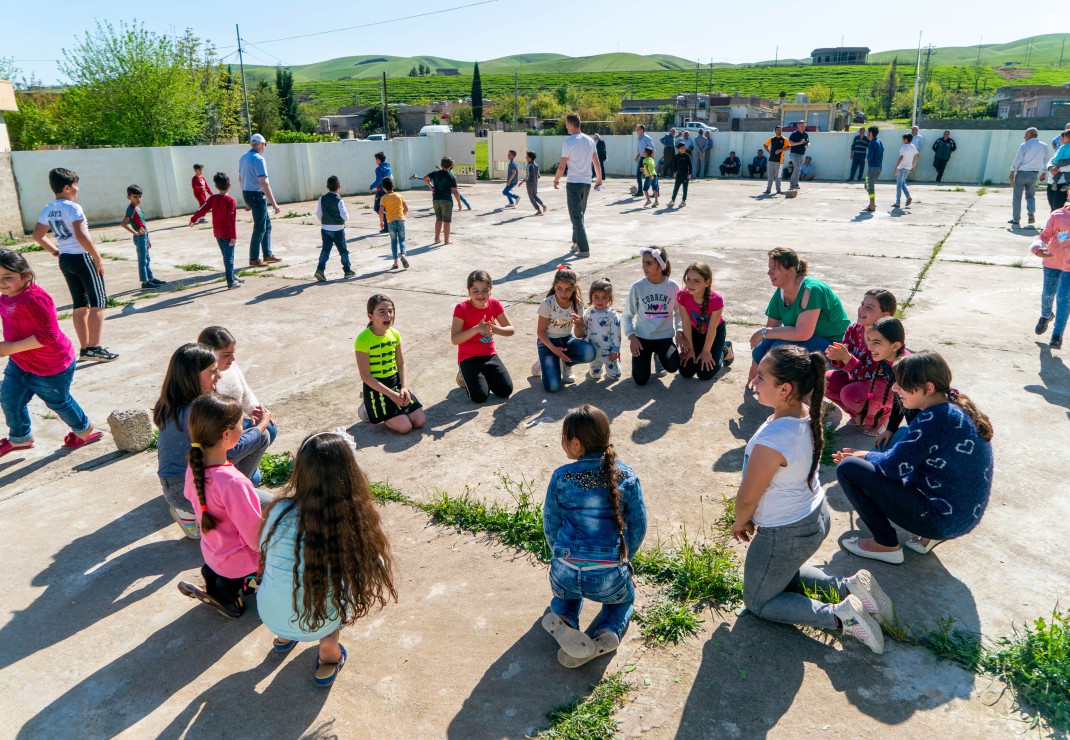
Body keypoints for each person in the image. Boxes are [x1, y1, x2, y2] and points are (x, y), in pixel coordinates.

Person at [733, 345, 890, 655]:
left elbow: (748, 496)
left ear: (785, 389)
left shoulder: (772, 441)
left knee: (759, 601)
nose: (754, 383)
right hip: (814, 516)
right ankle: (849, 588)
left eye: (761, 378)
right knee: (779, 574)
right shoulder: (804, 413)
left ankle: (840, 615)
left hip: (785, 533)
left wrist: (740, 521)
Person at [258, 430, 397, 687]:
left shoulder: (278, 509)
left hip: (268, 612)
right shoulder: (350, 523)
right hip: (316, 622)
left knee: (286, 580)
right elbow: (370, 568)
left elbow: (265, 550)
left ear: (301, 469)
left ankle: (283, 637)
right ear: (349, 474)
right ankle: (329, 652)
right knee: (338, 593)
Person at [834, 351, 994, 564]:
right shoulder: (953, 408)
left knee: (849, 467)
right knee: (897, 441)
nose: (894, 388)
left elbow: (892, 469)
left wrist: (865, 455)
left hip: (942, 520)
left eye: (901, 384)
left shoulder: (935, 418)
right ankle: (927, 538)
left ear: (928, 388)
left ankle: (885, 544)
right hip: (961, 516)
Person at [542, 404, 646, 668]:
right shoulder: (627, 475)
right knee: (623, 600)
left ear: (576, 443)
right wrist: (624, 561)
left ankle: (564, 620)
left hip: (564, 570)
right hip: (608, 575)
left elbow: (551, 524)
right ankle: (608, 631)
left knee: (566, 595)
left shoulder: (561, 476)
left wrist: (559, 556)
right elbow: (638, 527)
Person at [154, 343, 273, 539]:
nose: (218, 376)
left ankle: (199, 511)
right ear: (193, 376)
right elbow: (233, 449)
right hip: (188, 490)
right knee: (273, 507)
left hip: (176, 485)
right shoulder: (198, 410)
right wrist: (262, 425)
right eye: (212, 371)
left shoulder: (171, 401)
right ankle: (206, 509)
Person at [0, 249, 103, 458]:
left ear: (26, 275)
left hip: (51, 366)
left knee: (58, 402)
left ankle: (84, 430)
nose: (1, 283)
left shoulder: (35, 299)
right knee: (9, 398)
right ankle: (20, 438)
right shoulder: (6, 296)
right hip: (20, 362)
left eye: (7, 277)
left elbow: (49, 336)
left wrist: (9, 348)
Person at [176, 393, 268, 619]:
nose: (243, 427)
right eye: (241, 424)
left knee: (218, 570)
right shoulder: (234, 483)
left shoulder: (195, 467)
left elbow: (191, 495)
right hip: (238, 561)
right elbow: (254, 538)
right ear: (227, 434)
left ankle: (212, 579)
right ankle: (227, 597)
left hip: (213, 551)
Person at [31, 168, 118, 362]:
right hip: (82, 257)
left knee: (80, 304)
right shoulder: (73, 207)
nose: (78, 189)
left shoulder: (48, 208)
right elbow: (81, 235)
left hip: (66, 259)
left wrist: (56, 251)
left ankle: (85, 348)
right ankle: (95, 347)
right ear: (67, 187)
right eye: (75, 185)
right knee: (99, 302)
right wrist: (97, 256)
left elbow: (37, 235)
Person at [749, 247, 851, 384]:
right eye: (769, 268)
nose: (769, 272)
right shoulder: (781, 291)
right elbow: (770, 331)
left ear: (790, 271)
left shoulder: (812, 289)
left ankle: (789, 392)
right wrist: (757, 368)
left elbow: (802, 333)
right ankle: (763, 383)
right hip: (811, 341)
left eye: (774, 268)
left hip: (835, 349)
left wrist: (763, 332)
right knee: (764, 346)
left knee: (778, 351)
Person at [824, 289, 897, 430]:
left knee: (850, 393)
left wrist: (847, 358)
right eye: (862, 304)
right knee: (825, 381)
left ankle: (880, 416)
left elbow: (871, 375)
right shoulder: (853, 329)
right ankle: (859, 415)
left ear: (884, 315)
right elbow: (843, 366)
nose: (861, 309)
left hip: (884, 388)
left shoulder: (886, 339)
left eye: (869, 307)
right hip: (861, 381)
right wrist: (837, 357)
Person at [196, 325, 278, 447]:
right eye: (226, 355)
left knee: (270, 427)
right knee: (262, 434)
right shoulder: (205, 376)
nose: (232, 359)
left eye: (233, 353)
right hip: (220, 429)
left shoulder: (232, 366)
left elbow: (245, 391)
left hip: (236, 422)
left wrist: (256, 410)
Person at [355, 294, 425, 432]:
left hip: (395, 383)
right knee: (405, 427)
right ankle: (368, 407)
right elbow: (365, 376)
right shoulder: (363, 339)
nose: (388, 316)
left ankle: (397, 411)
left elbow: (401, 364)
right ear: (370, 316)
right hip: (377, 387)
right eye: (382, 312)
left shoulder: (394, 334)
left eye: (391, 311)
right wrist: (392, 395)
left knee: (419, 421)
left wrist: (404, 388)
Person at [452, 270, 515, 403]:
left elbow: (510, 330)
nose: (480, 294)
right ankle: (463, 375)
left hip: (489, 355)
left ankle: (484, 375)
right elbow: (455, 339)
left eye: (485, 290)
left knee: (505, 391)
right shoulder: (461, 308)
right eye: (475, 290)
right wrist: (477, 329)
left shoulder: (495, 304)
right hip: (468, 357)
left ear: (490, 290)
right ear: (469, 291)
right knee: (480, 397)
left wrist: (496, 329)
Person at [623, 247, 683, 386]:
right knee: (640, 379)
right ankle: (650, 356)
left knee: (673, 366)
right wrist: (632, 337)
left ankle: (659, 357)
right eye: (643, 262)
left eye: (649, 263)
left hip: (665, 338)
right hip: (642, 339)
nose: (644, 266)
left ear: (661, 266)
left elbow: (679, 313)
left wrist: (680, 330)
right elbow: (626, 316)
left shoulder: (673, 286)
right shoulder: (637, 286)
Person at [533, 267, 596, 392]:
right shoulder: (547, 304)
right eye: (559, 289)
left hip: (566, 340)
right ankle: (542, 362)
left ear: (574, 288)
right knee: (553, 387)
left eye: (568, 290)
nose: (563, 294)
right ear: (554, 286)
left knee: (589, 352)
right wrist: (554, 350)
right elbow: (540, 331)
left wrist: (578, 325)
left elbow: (579, 335)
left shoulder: (577, 304)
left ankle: (566, 363)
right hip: (548, 343)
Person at [554, 114, 602, 258]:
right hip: (586, 183)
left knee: (576, 216)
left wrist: (556, 180)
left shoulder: (568, 142)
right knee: (579, 215)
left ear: (570, 124)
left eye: (566, 124)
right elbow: (596, 161)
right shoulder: (589, 140)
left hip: (574, 183)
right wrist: (599, 179)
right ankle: (575, 243)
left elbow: (562, 166)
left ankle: (584, 249)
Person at [677, 262, 733, 381]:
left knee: (705, 374)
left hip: (714, 332)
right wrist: (691, 350)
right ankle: (697, 351)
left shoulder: (716, 299)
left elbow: (712, 327)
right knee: (686, 371)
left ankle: (725, 348)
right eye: (688, 279)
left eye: (697, 281)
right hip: (694, 331)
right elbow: (686, 323)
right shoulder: (682, 296)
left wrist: (706, 351)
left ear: (707, 282)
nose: (691, 284)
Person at [190, 172, 242, 289]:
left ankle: (232, 276)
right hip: (228, 234)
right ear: (229, 185)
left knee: (226, 255)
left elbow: (202, 209)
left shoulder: (213, 198)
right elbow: (231, 220)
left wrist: (194, 219)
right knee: (229, 258)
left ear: (216, 186)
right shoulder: (230, 201)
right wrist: (233, 236)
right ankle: (230, 282)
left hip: (218, 233)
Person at [239, 133, 282, 267]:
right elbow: (264, 183)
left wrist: (246, 200)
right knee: (260, 227)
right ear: (262, 145)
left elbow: (240, 179)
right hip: (257, 196)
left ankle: (267, 254)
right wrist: (274, 204)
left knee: (266, 225)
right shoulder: (259, 159)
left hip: (248, 193)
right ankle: (254, 258)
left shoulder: (243, 157)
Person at [1031, 202, 1070, 349]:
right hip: (1052, 261)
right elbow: (1044, 235)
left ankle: (1057, 335)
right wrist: (1037, 248)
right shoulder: (1058, 215)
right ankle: (1046, 315)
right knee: (1048, 294)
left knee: (1063, 298)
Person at [120, 184, 164, 289]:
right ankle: (144, 282)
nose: (138, 199)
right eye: (135, 197)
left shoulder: (137, 208)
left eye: (139, 196)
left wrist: (148, 239)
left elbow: (143, 224)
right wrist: (135, 232)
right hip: (140, 238)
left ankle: (151, 278)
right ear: (129, 197)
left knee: (147, 259)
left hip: (144, 236)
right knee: (142, 260)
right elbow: (124, 223)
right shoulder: (131, 209)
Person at [579, 277, 622, 381]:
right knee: (594, 376)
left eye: (604, 297)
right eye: (596, 297)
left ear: (609, 298)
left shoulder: (612, 315)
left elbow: (617, 334)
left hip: (609, 352)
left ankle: (616, 364)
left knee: (614, 376)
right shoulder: (588, 312)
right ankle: (595, 368)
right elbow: (585, 330)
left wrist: (615, 350)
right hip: (593, 352)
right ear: (591, 297)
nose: (600, 301)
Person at [314, 175, 355, 281]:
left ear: (327, 186)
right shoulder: (339, 200)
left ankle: (320, 270)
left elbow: (318, 213)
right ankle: (347, 271)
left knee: (325, 250)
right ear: (339, 187)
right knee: (343, 251)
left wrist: (324, 222)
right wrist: (343, 221)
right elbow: (345, 215)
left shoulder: (321, 199)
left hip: (325, 228)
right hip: (338, 230)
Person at [1009, 127, 1050, 227]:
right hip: (1034, 174)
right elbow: (1046, 161)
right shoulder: (1044, 146)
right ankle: (1031, 212)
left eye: (1025, 135)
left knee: (1017, 196)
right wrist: (1044, 172)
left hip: (1022, 173)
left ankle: (1016, 219)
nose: (1024, 137)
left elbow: (1018, 159)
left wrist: (1012, 171)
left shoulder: (1024, 145)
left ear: (1030, 134)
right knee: (1031, 195)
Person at [423, 157, 463, 245]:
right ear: (451, 166)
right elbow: (455, 191)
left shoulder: (435, 173)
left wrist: (431, 187)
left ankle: (437, 238)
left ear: (441, 164)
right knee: (447, 221)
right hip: (446, 200)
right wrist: (459, 202)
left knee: (438, 219)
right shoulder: (451, 176)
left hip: (436, 199)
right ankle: (446, 240)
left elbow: (425, 178)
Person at [379, 177, 409, 270]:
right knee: (402, 240)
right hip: (400, 220)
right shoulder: (399, 196)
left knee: (393, 241)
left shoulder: (383, 198)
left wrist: (381, 222)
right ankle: (403, 255)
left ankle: (396, 262)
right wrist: (401, 216)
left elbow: (381, 211)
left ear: (383, 188)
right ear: (393, 186)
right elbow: (406, 208)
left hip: (390, 222)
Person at [1046, 128, 1070, 211]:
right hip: (1051, 182)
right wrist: (1050, 168)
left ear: (1065, 138)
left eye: (1060, 138)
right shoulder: (1059, 150)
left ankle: (1056, 223)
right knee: (1052, 206)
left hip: (1062, 184)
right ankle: (1053, 223)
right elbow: (1050, 161)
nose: (1059, 140)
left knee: (1057, 208)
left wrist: (1059, 169)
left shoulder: (1065, 149)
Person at [893, 133, 919, 209]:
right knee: (902, 183)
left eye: (903, 139)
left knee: (899, 185)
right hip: (908, 168)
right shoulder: (913, 146)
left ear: (906, 139)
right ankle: (908, 196)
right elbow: (918, 156)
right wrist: (913, 166)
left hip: (901, 168)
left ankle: (898, 202)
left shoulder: (904, 147)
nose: (902, 140)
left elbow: (901, 157)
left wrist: (896, 167)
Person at [370, 152, 392, 233]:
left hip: (380, 191)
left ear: (378, 160)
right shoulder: (388, 167)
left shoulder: (378, 169)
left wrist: (371, 187)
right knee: (386, 208)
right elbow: (391, 177)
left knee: (377, 208)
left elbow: (379, 180)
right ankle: (389, 224)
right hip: (388, 190)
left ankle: (387, 225)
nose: (375, 161)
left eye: (376, 159)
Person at [864, 126, 884, 212]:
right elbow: (883, 150)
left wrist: (867, 159)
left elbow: (870, 155)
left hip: (872, 168)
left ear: (871, 133)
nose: (867, 134)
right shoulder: (879, 141)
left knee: (870, 187)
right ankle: (872, 203)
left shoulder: (871, 143)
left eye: (868, 132)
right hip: (879, 167)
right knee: (867, 185)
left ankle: (872, 206)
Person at [763, 126, 787, 195]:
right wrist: (769, 152)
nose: (779, 131)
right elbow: (765, 145)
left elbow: (788, 147)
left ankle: (778, 190)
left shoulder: (784, 139)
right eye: (778, 130)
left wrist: (780, 150)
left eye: (780, 130)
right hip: (771, 160)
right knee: (770, 176)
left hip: (780, 161)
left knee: (778, 176)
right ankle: (768, 189)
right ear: (775, 131)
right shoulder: (772, 139)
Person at [522, 151, 547, 216]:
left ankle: (538, 210)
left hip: (529, 183)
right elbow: (538, 175)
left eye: (527, 157)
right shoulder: (536, 165)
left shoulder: (528, 165)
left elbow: (528, 175)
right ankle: (543, 205)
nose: (526, 158)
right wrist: (535, 180)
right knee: (535, 195)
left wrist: (523, 181)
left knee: (531, 198)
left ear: (530, 158)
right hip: (535, 183)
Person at [787, 121, 809, 191]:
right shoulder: (794, 134)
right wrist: (800, 143)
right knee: (796, 167)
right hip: (794, 153)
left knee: (798, 169)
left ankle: (793, 184)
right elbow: (790, 143)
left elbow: (808, 142)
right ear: (798, 126)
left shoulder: (806, 134)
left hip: (802, 154)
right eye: (801, 126)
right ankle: (795, 184)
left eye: (804, 126)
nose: (803, 127)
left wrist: (808, 145)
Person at [669, 142, 691, 207]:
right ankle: (673, 200)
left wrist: (690, 173)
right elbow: (674, 166)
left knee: (685, 189)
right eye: (681, 148)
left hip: (685, 175)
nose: (683, 149)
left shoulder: (687, 156)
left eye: (684, 148)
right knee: (676, 188)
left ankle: (683, 201)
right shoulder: (676, 156)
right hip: (678, 175)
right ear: (678, 149)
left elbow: (690, 166)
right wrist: (674, 172)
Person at [634, 125, 655, 193]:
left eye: (638, 129)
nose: (636, 131)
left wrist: (652, 160)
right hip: (642, 158)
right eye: (636, 129)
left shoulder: (646, 138)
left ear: (642, 130)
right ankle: (640, 191)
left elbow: (652, 149)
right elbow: (642, 149)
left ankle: (656, 191)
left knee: (650, 174)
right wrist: (637, 155)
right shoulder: (639, 138)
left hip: (648, 159)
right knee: (639, 174)